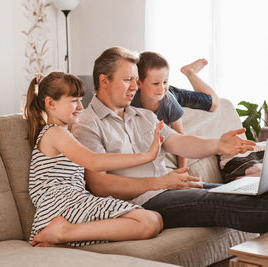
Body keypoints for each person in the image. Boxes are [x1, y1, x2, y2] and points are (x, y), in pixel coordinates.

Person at [72, 46, 268, 235]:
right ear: (103, 80)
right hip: (137, 204)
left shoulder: (141, 116)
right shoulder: (87, 123)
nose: (135, 87)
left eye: (137, 80)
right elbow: (99, 185)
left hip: (165, 190)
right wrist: (160, 183)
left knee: (249, 191)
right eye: (128, 80)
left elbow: (179, 143)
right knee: (221, 203)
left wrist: (217, 144)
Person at [23, 72, 164, 247]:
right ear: (51, 103)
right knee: (148, 223)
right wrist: (147, 156)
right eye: (74, 100)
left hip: (74, 201)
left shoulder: (66, 133)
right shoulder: (54, 132)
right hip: (58, 208)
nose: (80, 107)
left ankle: (64, 237)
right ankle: (62, 232)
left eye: (81, 100)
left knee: (156, 219)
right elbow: (94, 162)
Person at [131, 51, 219, 168]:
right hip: (158, 95)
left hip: (173, 94)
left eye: (165, 82)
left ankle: (189, 72)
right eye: (156, 83)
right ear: (139, 83)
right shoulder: (131, 101)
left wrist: (183, 170)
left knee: (213, 103)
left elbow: (181, 137)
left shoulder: (168, 101)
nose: (161, 87)